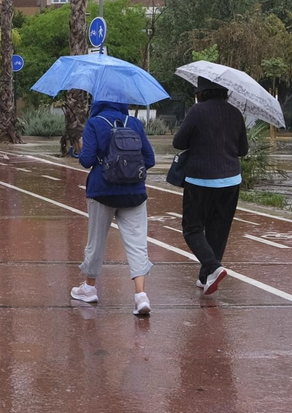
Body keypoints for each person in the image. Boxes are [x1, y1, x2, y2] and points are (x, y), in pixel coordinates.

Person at [70, 100, 157, 316]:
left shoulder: (94, 123)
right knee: (137, 243)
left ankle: (89, 288)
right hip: (134, 191)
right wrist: (128, 171)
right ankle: (141, 295)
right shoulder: (134, 123)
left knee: (96, 241)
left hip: (102, 190)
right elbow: (150, 159)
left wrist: (80, 149)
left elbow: (87, 160)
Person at [172, 77, 249, 294]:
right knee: (219, 229)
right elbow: (243, 150)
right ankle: (206, 276)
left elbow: (178, 142)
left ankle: (213, 267)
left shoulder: (197, 111)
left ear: (201, 92)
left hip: (200, 180)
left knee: (192, 228)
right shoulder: (235, 113)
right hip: (231, 180)